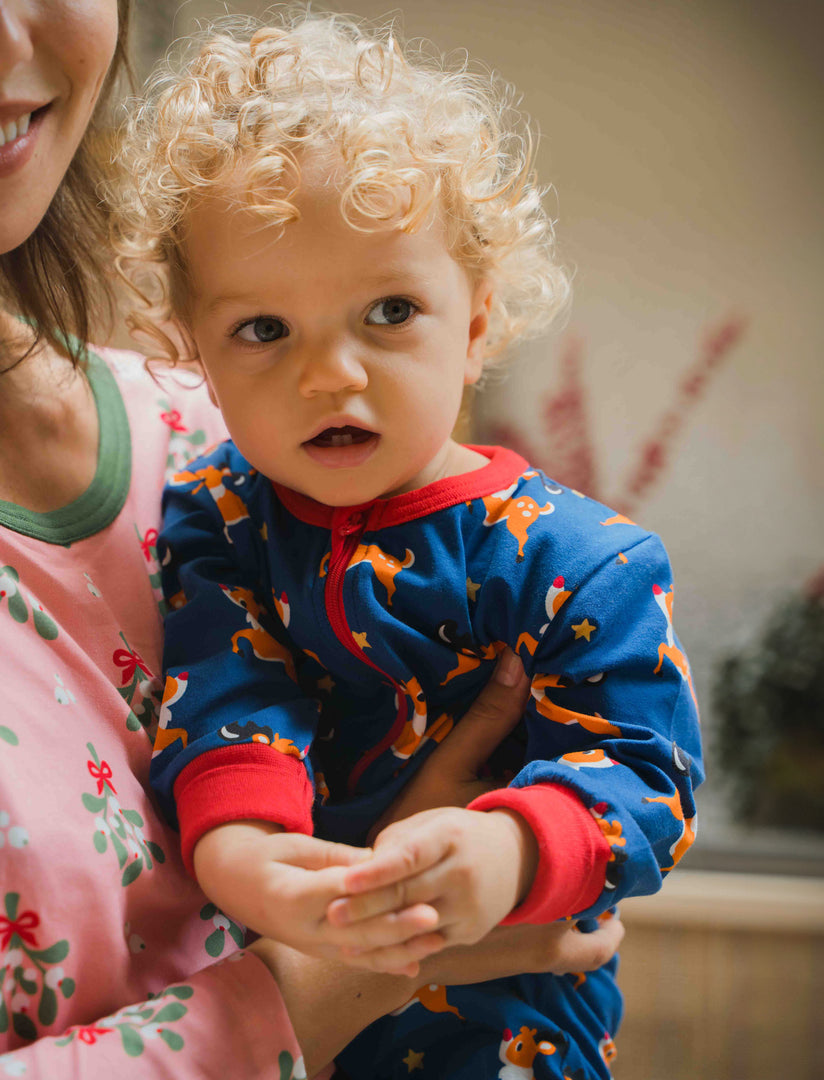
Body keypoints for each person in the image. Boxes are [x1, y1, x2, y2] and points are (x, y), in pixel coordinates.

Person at [0, 2, 625, 1077]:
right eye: (264, 330)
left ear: (477, 322)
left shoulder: (234, 458)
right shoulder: (232, 516)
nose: (329, 376)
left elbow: (637, 777)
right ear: (201, 329)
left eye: (388, 312)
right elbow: (238, 719)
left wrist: (531, 844)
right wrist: (329, 963)